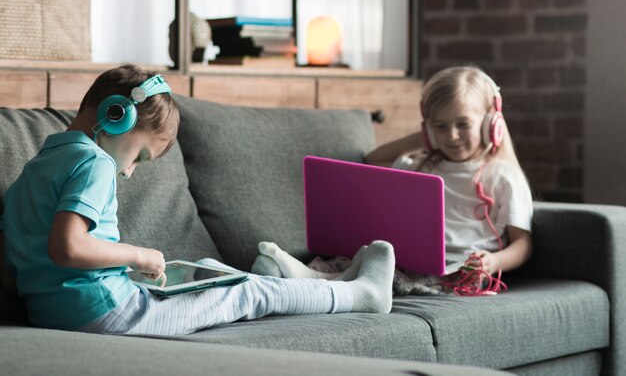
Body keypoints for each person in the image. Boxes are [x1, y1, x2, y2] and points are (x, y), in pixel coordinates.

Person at [0, 64, 395, 336]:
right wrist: (137, 255)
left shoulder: (39, 166)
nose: (130, 171)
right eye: (140, 156)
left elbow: (22, 260)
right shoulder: (95, 163)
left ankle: (319, 280)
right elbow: (67, 247)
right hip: (106, 312)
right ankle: (361, 295)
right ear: (117, 116)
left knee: (208, 271)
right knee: (245, 292)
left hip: (59, 313)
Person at [251, 66, 533, 296]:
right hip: (410, 260)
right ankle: (299, 276)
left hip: (460, 272)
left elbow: (523, 244)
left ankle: (306, 280)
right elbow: (373, 159)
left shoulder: (503, 176)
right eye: (440, 126)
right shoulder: (425, 165)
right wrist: (423, 139)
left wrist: (494, 261)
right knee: (371, 255)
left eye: (463, 124)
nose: (452, 136)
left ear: (490, 125)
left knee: (382, 270)